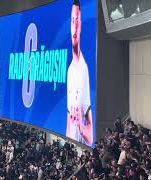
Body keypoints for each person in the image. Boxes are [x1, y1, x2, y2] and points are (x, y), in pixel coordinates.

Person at [66, 0, 93, 145]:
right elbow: (68, 123)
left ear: (80, 24)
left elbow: (90, 137)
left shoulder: (83, 68)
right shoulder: (70, 70)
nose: (75, 25)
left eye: (77, 20)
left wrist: (81, 128)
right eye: (72, 20)